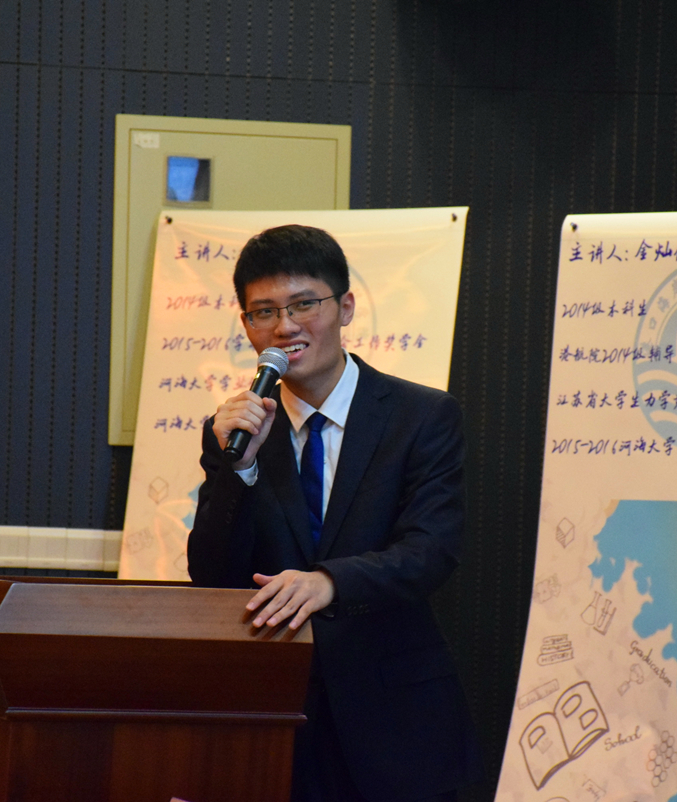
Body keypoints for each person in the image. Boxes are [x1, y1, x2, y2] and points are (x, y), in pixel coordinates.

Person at [188, 224, 483, 802]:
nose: (285, 327)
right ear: (247, 325)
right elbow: (211, 573)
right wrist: (239, 469)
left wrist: (330, 581)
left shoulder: (421, 416)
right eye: (264, 312)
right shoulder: (238, 429)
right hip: (275, 718)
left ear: (345, 307)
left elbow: (431, 550)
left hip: (395, 719)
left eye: (304, 304)